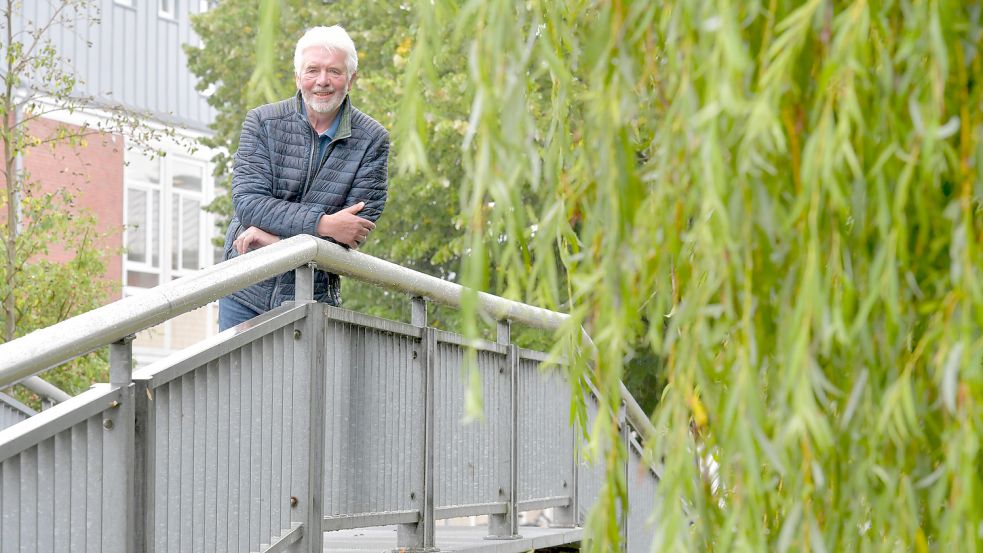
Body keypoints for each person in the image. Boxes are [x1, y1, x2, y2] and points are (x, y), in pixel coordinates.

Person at [218, 25, 389, 331]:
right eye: (313, 70)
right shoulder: (263, 123)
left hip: (312, 294)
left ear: (351, 79)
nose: (322, 81)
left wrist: (275, 240)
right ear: (298, 77)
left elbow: (353, 233)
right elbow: (249, 204)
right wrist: (325, 224)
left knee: (298, 381)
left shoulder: (373, 140)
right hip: (246, 285)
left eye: (334, 71)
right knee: (236, 378)